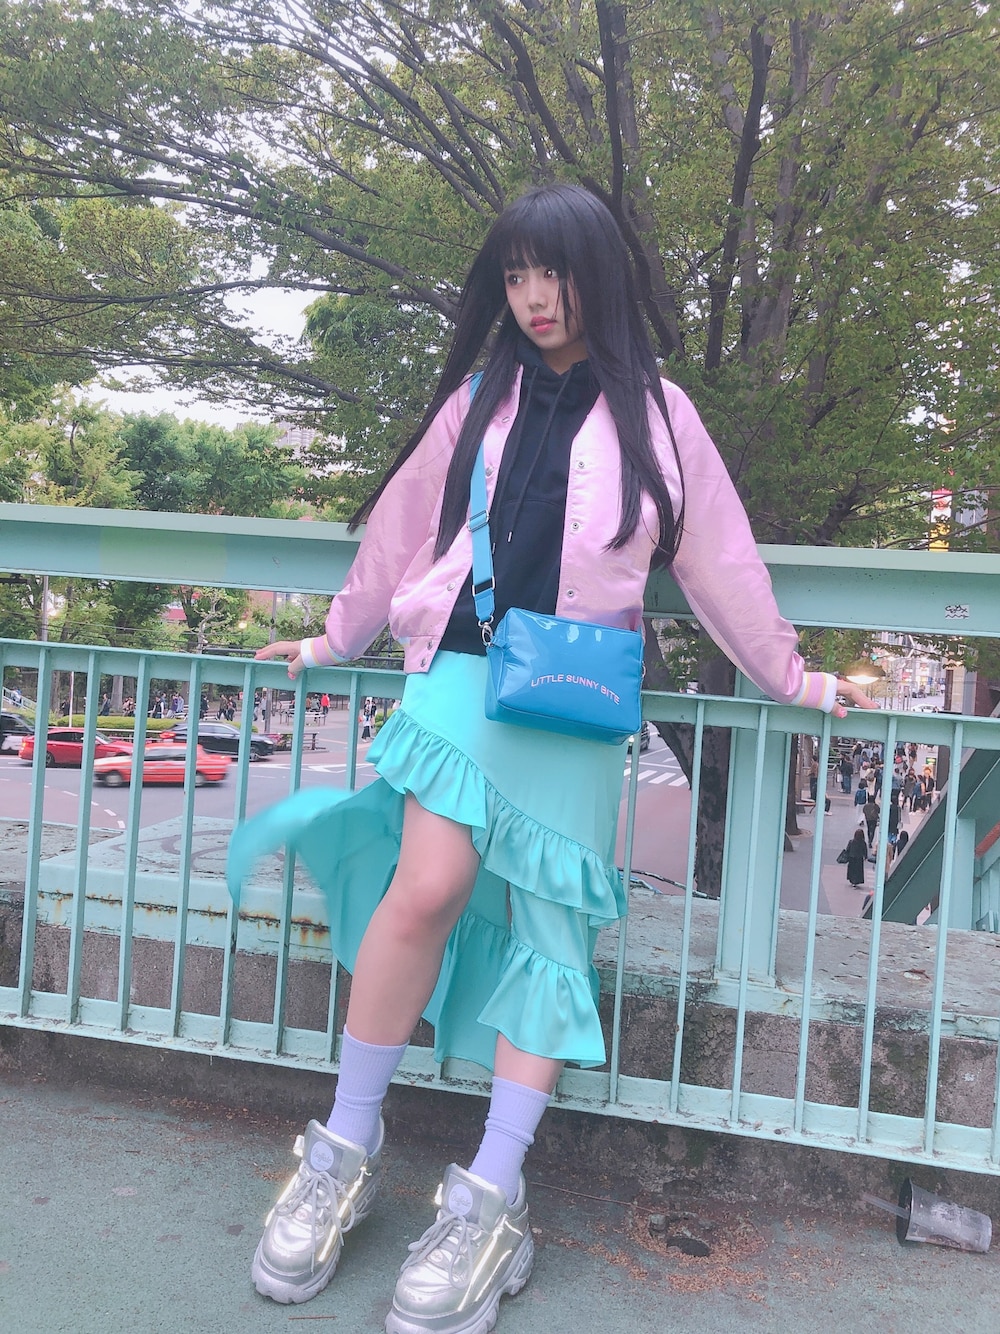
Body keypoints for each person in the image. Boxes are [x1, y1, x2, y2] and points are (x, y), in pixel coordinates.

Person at [227, 184, 875, 1332]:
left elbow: (719, 561)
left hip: (572, 698)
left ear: (598, 277)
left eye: (552, 273)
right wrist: (334, 636)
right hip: (458, 673)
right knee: (426, 886)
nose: (532, 297)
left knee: (548, 931)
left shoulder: (660, 415)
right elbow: (401, 526)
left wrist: (795, 677)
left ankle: (490, 1193)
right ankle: (345, 1147)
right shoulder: (478, 398)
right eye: (515, 275)